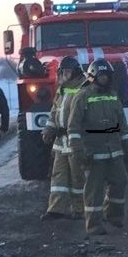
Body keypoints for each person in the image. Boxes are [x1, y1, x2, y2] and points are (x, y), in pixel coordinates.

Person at [67, 58, 128, 235]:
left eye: (107, 75)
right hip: (93, 152)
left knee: (121, 180)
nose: (104, 79)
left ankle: (114, 216)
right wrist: (78, 150)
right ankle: (94, 225)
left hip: (114, 150)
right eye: (101, 75)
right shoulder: (82, 96)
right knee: (94, 190)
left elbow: (122, 123)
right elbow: (73, 127)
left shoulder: (113, 95)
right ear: (93, 76)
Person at [40, 56, 86, 221]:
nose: (64, 75)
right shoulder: (62, 90)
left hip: (76, 140)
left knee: (77, 176)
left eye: (67, 72)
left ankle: (80, 210)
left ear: (75, 72)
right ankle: (56, 209)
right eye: (62, 72)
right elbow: (55, 112)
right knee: (58, 176)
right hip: (61, 141)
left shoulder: (85, 89)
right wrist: (48, 129)